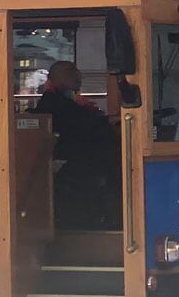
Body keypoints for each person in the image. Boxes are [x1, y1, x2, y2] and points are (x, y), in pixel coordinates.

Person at [37, 61, 121, 229]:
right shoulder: (54, 102)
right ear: (57, 78)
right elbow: (82, 125)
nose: (79, 75)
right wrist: (107, 123)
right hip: (72, 164)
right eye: (71, 71)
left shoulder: (69, 101)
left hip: (82, 161)